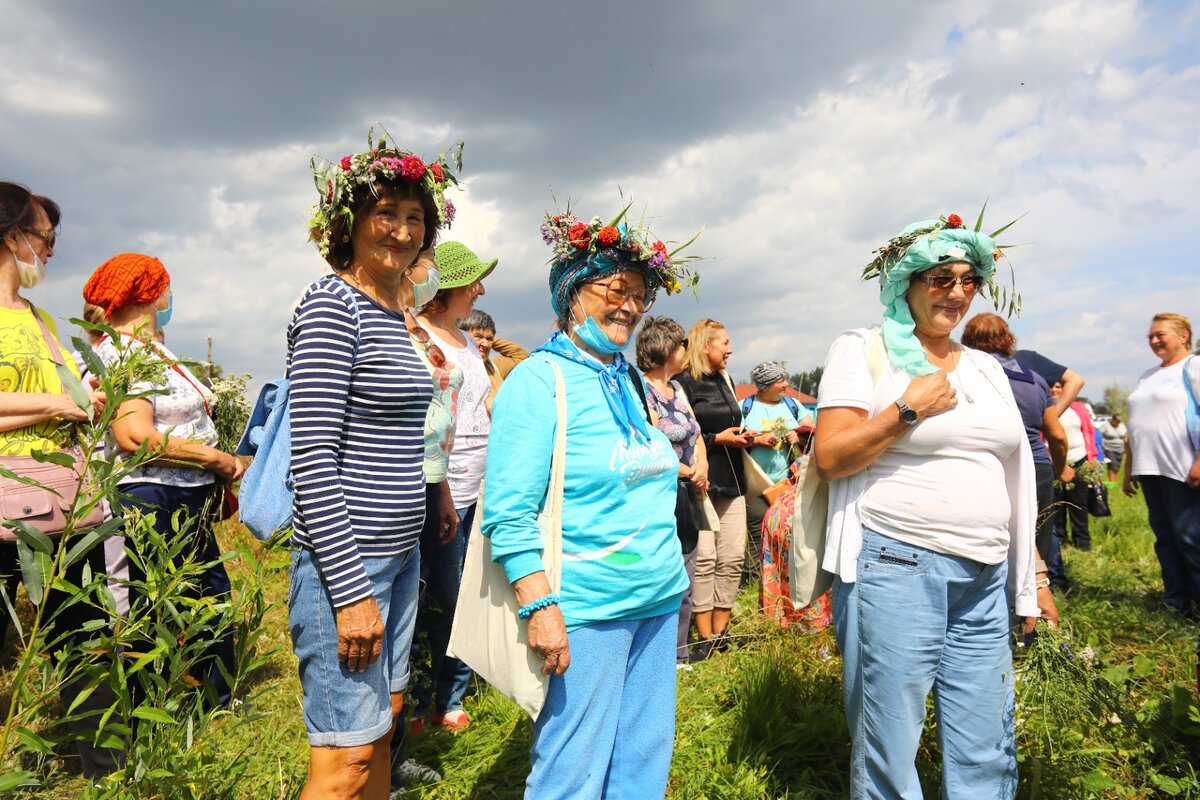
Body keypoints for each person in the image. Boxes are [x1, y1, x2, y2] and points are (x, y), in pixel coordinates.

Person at [815, 213, 1052, 797]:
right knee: (889, 744)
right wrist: (906, 410)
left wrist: (1034, 571)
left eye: (969, 279)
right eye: (940, 277)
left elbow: (1010, 473)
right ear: (906, 282)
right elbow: (831, 456)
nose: (957, 291)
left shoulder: (984, 369)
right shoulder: (863, 350)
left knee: (988, 740)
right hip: (896, 565)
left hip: (986, 572)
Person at [483, 204, 698, 798]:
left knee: (641, 763)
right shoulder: (538, 381)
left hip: (657, 600)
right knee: (572, 773)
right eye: (615, 288)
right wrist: (539, 608)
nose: (629, 304)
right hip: (587, 609)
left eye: (640, 293)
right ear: (573, 292)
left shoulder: (625, 379)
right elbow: (507, 512)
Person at [289, 138, 458, 799]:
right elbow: (313, 458)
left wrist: (432, 504)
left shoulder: (397, 316)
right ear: (350, 223)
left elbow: (409, 439)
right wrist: (351, 593)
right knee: (344, 762)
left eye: (416, 217)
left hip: (400, 554)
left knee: (381, 729)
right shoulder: (334, 305)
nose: (402, 230)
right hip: (347, 565)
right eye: (386, 212)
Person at [84, 253, 245, 708]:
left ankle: (211, 698)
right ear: (151, 294)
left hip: (181, 492)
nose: (169, 297)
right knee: (157, 600)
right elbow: (133, 433)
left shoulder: (153, 348)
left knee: (205, 592)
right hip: (151, 493)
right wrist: (212, 457)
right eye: (165, 288)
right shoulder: (126, 352)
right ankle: (150, 705)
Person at [0, 181, 121, 777]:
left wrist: (88, 396)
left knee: (87, 633)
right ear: (11, 234)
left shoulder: (45, 319)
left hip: (63, 506)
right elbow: (53, 402)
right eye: (45, 237)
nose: (50, 251)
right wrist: (54, 403)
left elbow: (72, 400)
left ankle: (104, 765)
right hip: (1, 503)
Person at [410, 240, 496, 734]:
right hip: (439, 488)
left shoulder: (466, 341)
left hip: (479, 484)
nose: (481, 289)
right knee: (435, 595)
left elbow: (480, 408)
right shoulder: (417, 334)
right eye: (474, 281)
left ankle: (452, 696)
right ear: (449, 287)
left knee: (469, 594)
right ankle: (419, 699)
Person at [962, 312, 1069, 582]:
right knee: (1038, 535)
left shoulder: (968, 373)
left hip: (991, 466)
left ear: (968, 339)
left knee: (990, 534)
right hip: (1039, 466)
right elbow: (1056, 435)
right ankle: (1036, 602)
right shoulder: (1035, 379)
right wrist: (1059, 467)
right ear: (1007, 338)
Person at [674, 319, 755, 656]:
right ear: (705, 345)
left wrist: (749, 437)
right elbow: (684, 434)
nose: (730, 349)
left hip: (732, 478)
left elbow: (732, 422)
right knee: (704, 559)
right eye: (725, 342)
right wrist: (716, 438)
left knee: (733, 556)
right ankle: (703, 637)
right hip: (702, 481)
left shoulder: (726, 380)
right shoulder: (683, 383)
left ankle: (721, 633)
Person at [636, 314, 710, 666]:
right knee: (666, 572)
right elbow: (650, 444)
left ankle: (679, 654)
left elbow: (694, 432)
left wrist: (702, 467)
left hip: (687, 491)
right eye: (682, 344)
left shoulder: (677, 389)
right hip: (661, 491)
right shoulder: (641, 390)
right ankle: (658, 656)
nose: (686, 350)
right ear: (666, 348)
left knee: (688, 571)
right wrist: (686, 470)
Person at [1124, 313, 1200, 619]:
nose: (1154, 340)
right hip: (1150, 468)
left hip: (1181, 467)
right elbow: (1134, 427)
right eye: (1150, 336)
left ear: (1183, 335)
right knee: (1165, 538)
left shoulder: (1193, 366)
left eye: (1160, 334)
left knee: (1191, 537)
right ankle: (1176, 599)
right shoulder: (1147, 375)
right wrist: (1129, 468)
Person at [741, 360, 812, 580]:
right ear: (765, 385)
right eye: (780, 380)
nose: (786, 384)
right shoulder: (744, 406)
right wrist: (759, 439)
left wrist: (798, 436)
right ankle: (754, 585)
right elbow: (734, 437)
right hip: (755, 485)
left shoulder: (792, 404)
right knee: (757, 535)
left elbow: (812, 431)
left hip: (789, 483)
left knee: (789, 534)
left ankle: (786, 581)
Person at [1051, 379, 1098, 554]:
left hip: (1078, 459)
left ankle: (1083, 542)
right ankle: (1061, 541)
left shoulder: (1079, 408)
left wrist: (1091, 458)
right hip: (1054, 461)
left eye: (1058, 386)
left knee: (1079, 503)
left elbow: (1089, 432)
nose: (1055, 390)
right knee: (1057, 503)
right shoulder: (1046, 408)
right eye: (1052, 387)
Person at [459, 308, 529, 411]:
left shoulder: (494, 367)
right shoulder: (453, 367)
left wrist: (486, 339)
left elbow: (521, 356)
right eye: (478, 336)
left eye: (489, 339)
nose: (486, 344)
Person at [1015, 348, 1085, 417]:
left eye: (1058, 387)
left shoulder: (1025, 358)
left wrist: (1051, 421)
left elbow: (1075, 380)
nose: (1054, 390)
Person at [1100, 413, 1128, 483]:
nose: (1118, 423)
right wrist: (1103, 447)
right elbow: (1099, 435)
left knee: (1117, 466)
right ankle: (1112, 481)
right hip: (1109, 448)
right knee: (1113, 465)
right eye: (1117, 421)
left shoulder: (1122, 425)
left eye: (1119, 421)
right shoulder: (1106, 426)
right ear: (1113, 420)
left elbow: (1125, 435)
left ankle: (1115, 479)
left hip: (1120, 449)